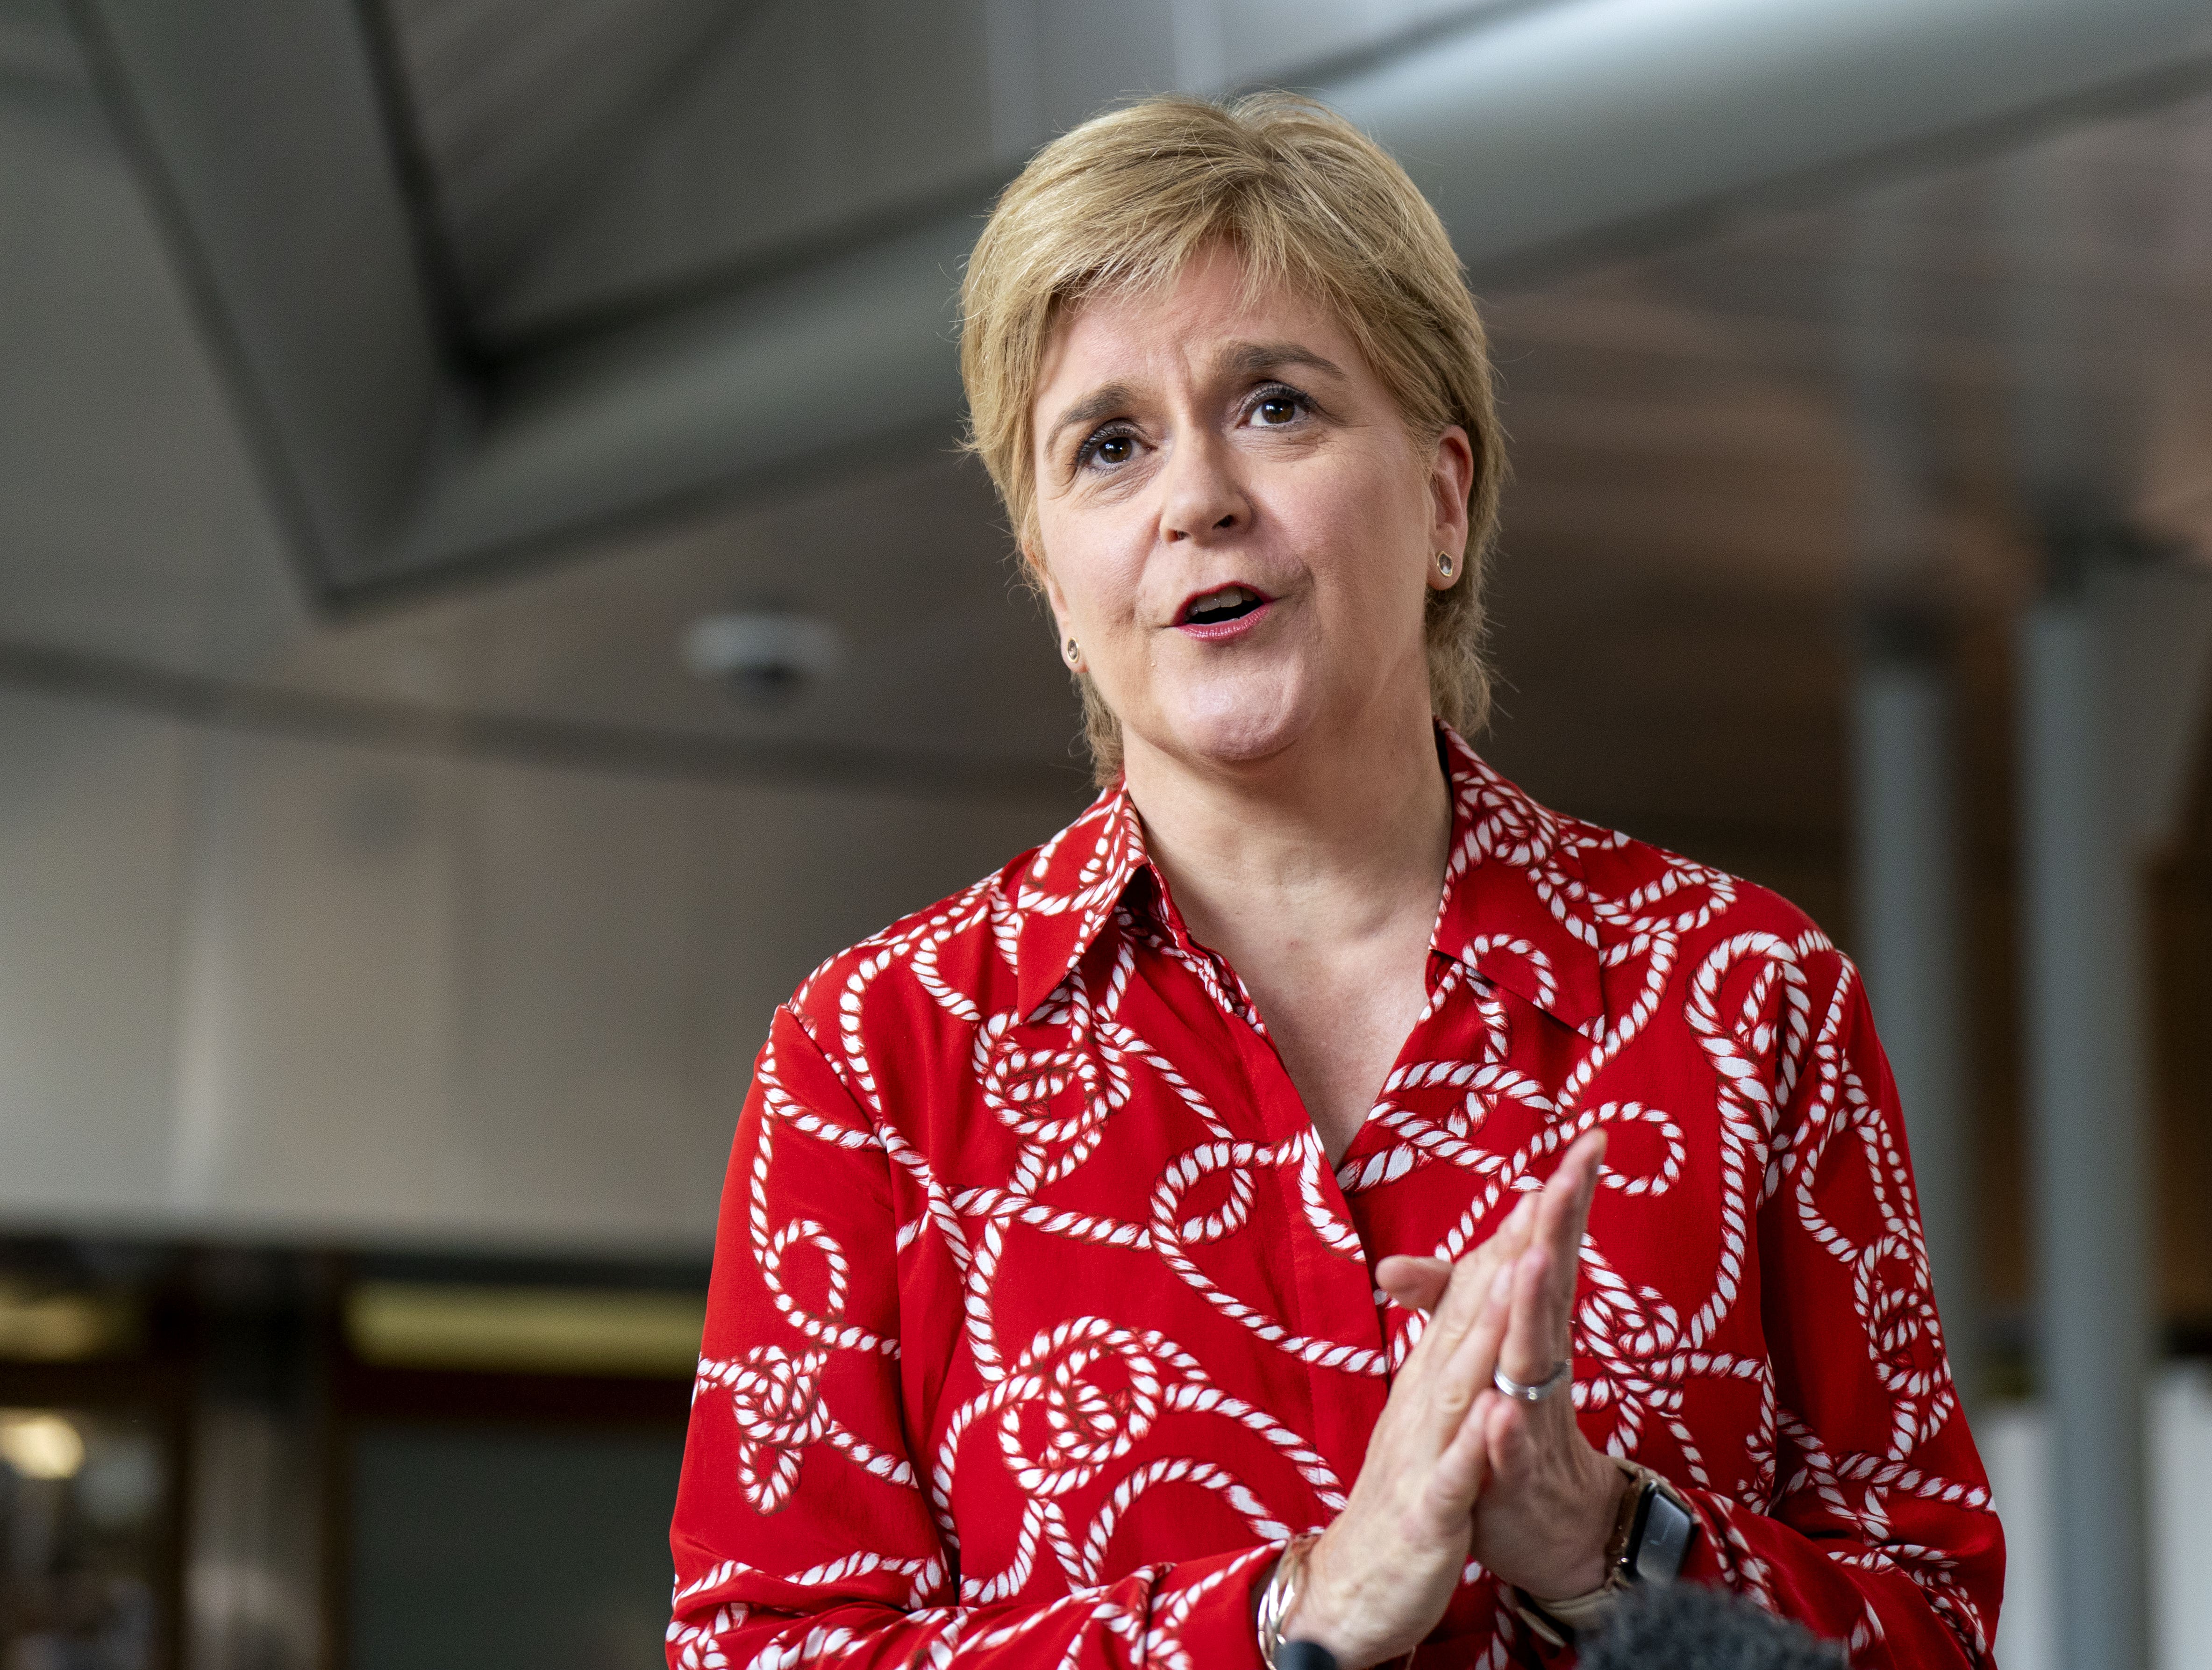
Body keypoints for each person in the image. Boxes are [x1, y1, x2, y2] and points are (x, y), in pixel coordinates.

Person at [668, 92, 2002, 1669]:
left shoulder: (1743, 997)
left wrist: (1607, 1545)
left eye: (1279, 407)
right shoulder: (877, 1062)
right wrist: (1292, 1612)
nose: (1198, 498)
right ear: (1053, 581)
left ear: (1443, 501)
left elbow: (1937, 1632)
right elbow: (765, 1653)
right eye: (1109, 445)